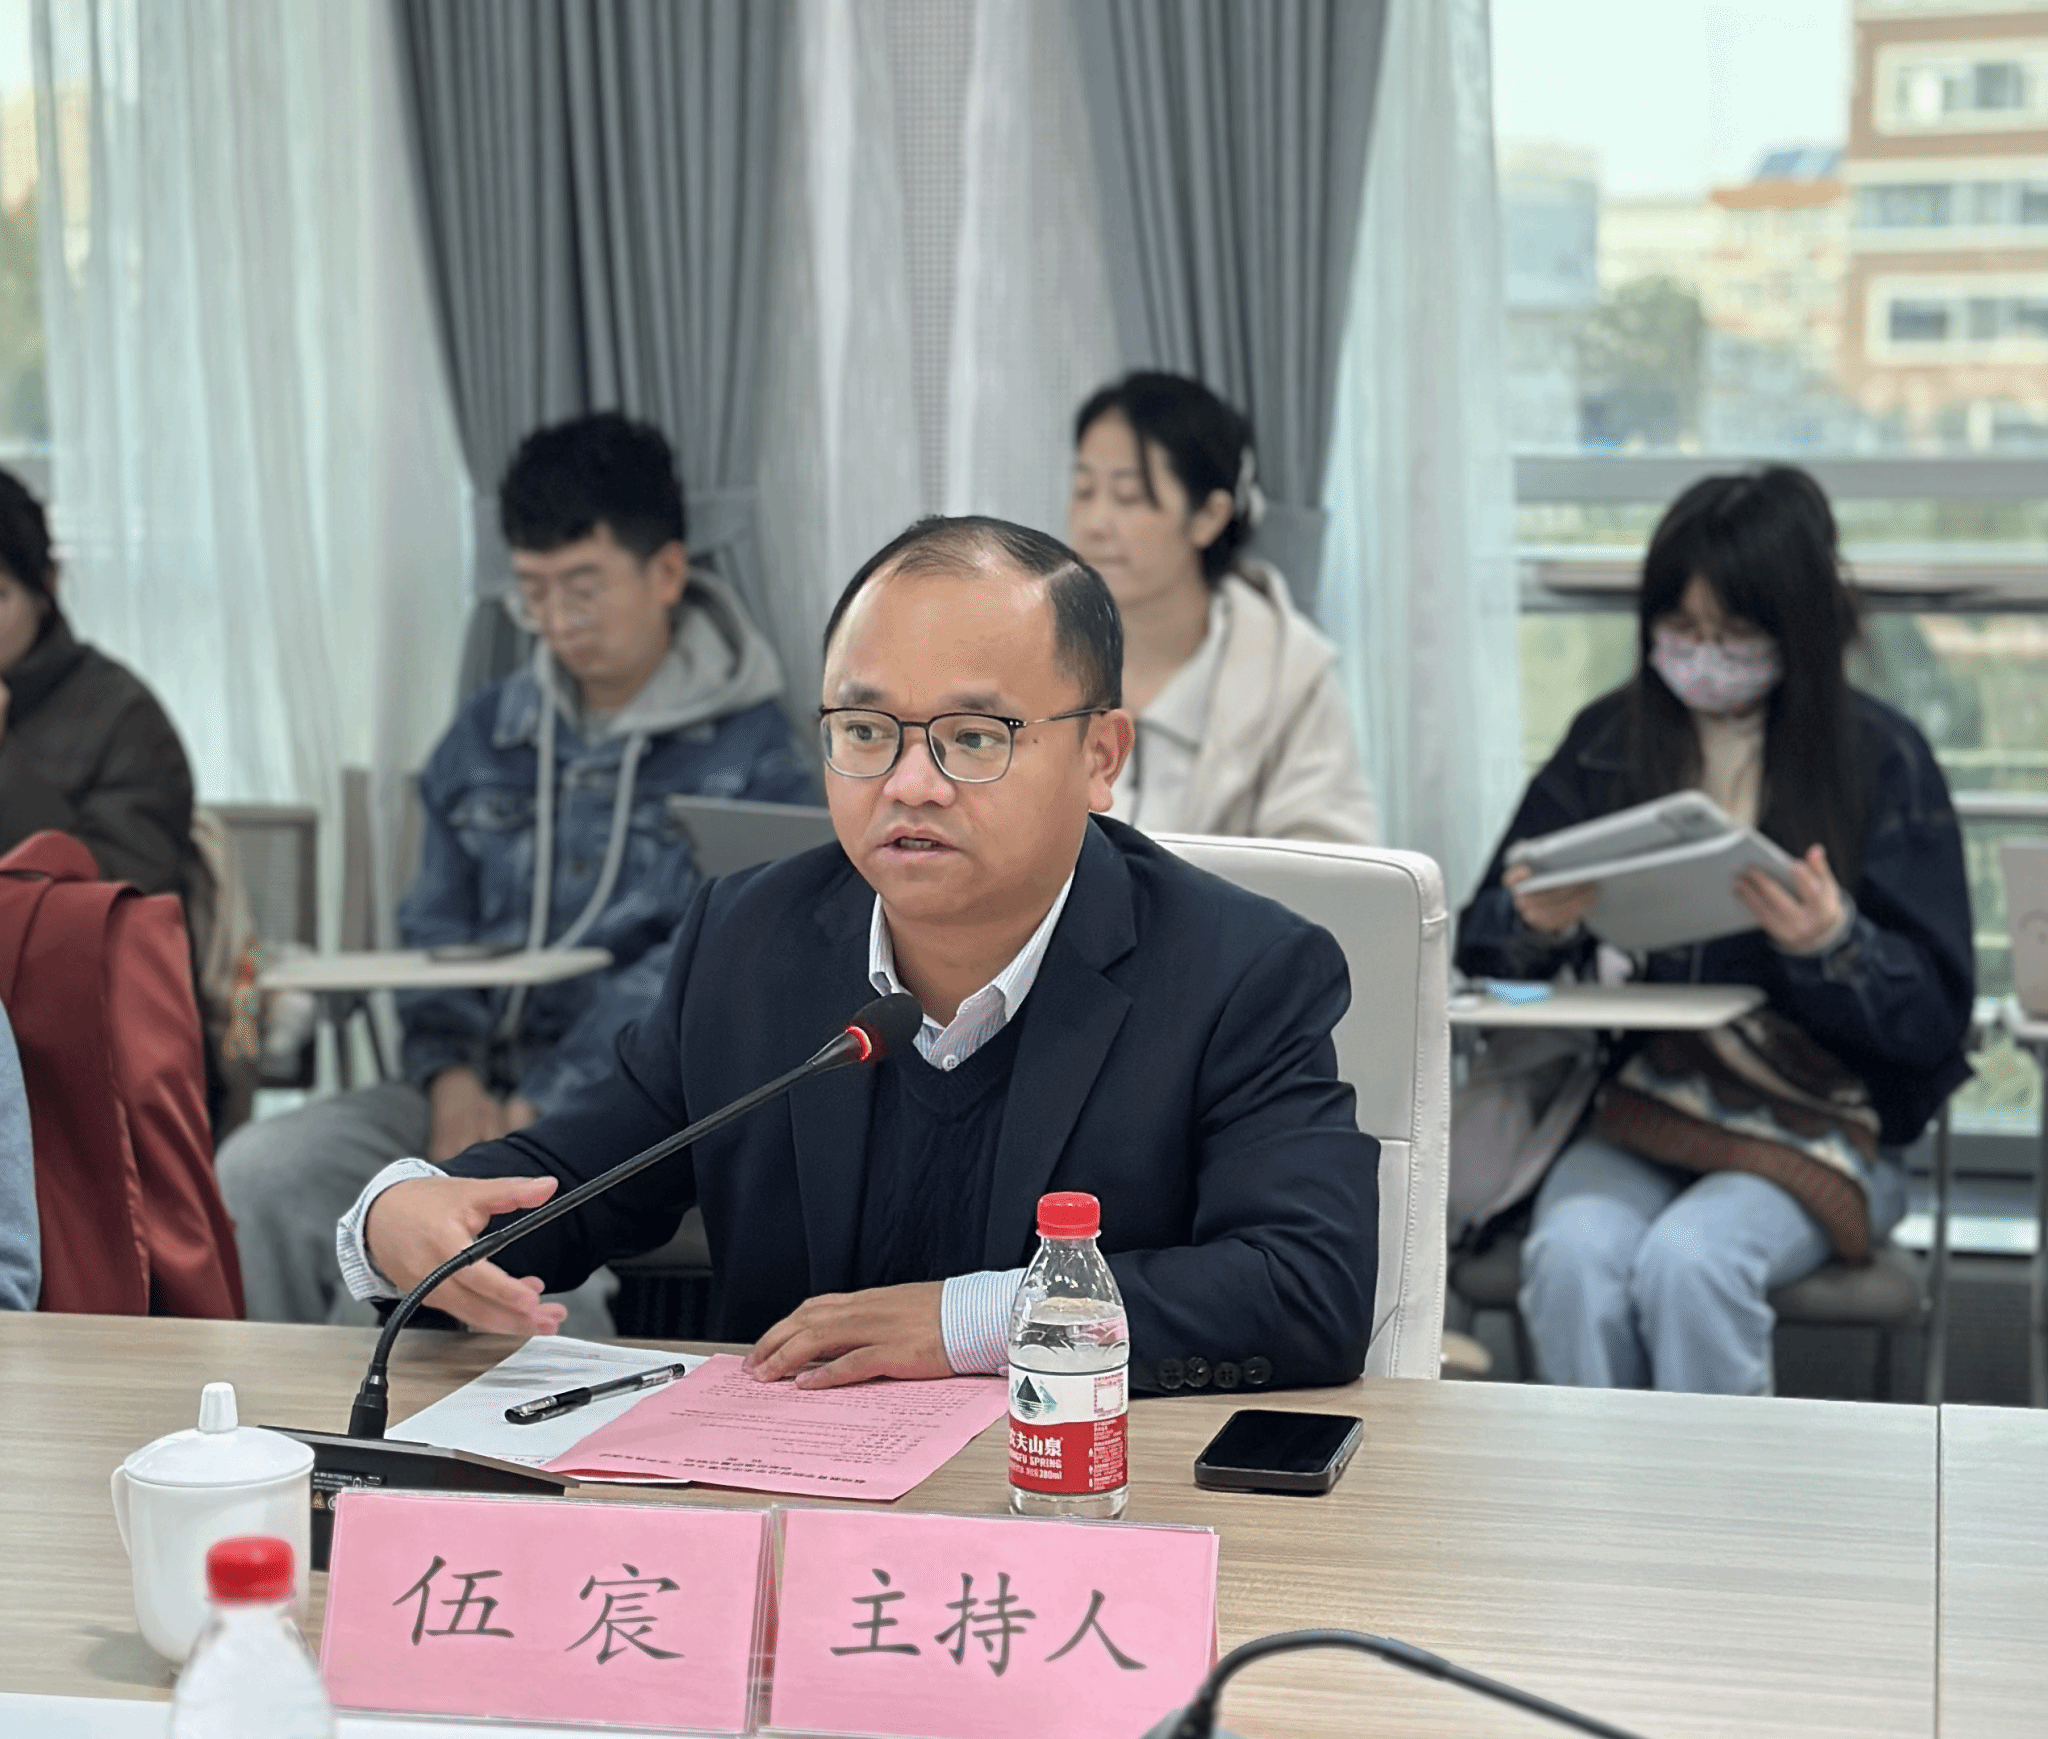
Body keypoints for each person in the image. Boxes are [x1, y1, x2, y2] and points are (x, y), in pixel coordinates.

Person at [341, 515, 1378, 1394]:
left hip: (1077, 1502)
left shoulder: (1239, 970)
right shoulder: (750, 939)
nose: (910, 783)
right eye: (867, 729)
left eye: (974, 737)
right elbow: (576, 1175)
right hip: (792, 1509)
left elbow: (1304, 1284)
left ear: (1100, 755)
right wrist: (400, 1210)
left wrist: (969, 1321)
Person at [217, 412, 815, 1324]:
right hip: (454, 1091)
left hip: (616, 1109)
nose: (558, 622)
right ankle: (266, 1405)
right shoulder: (485, 734)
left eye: (583, 588)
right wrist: (449, 1077)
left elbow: (698, 978)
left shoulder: (755, 757)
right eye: (533, 593)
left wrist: (543, 1100)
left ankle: (422, 1407)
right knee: (261, 1171)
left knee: (504, 1270)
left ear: (666, 572)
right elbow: (433, 933)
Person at [1457, 467, 1973, 1395]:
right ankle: (1590, 1490)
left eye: (1733, 633)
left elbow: (1935, 1013)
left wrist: (1834, 944)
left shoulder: (1880, 758)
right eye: (1680, 627)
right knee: (1572, 1255)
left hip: (1828, 1124)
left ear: (1797, 629)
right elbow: (1479, 943)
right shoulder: (1608, 742)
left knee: (1693, 1263)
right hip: (1644, 1105)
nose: (1703, 656)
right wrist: (1534, 922)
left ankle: (1715, 1496)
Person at [1066, 372, 1376, 843]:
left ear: (1210, 516)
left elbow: (1329, 863)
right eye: (1084, 490)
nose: (1094, 523)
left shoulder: (1289, 678)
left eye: (1129, 497)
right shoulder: (1038, 651)